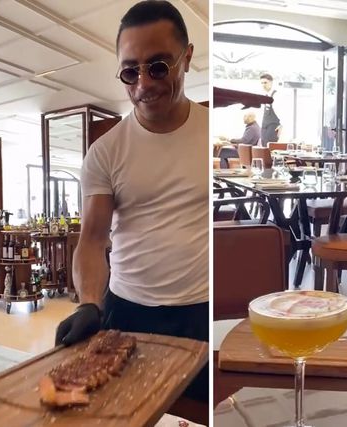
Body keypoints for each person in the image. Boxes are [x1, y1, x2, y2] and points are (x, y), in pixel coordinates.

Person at [54, 0, 209, 408]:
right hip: (128, 313)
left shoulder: (211, 135)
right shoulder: (105, 152)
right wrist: (89, 302)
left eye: (158, 67)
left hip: (201, 311)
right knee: (125, 413)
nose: (143, 84)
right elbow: (92, 240)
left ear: (186, 58)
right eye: (130, 71)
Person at [260, 73, 282, 143]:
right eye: (262, 83)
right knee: (263, 146)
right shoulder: (264, 95)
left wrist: (281, 125)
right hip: (264, 126)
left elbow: (282, 111)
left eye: (265, 83)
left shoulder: (276, 95)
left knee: (270, 146)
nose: (263, 85)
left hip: (273, 126)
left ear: (271, 82)